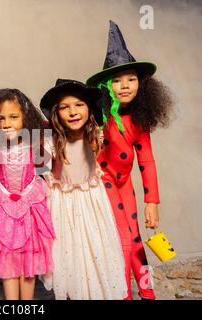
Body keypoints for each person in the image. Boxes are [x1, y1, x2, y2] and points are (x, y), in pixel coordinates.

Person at [86, 21, 173, 299]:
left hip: (125, 184)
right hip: (102, 182)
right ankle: (123, 294)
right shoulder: (98, 115)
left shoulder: (140, 118)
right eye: (117, 80)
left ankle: (147, 293)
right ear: (106, 85)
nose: (124, 86)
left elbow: (146, 160)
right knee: (121, 238)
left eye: (131, 79)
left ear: (142, 84)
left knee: (135, 239)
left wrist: (152, 202)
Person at [39, 79, 127, 300]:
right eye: (65, 107)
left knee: (96, 251)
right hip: (63, 206)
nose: (73, 112)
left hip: (91, 203)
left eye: (79, 105)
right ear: (56, 114)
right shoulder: (50, 142)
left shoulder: (96, 136)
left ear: (89, 108)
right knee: (68, 257)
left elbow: (117, 107)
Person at [0, 88, 55, 300]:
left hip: (29, 204)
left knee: (28, 257)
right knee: (8, 257)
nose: (7, 123)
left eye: (13, 117)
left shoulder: (35, 143)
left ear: (25, 118)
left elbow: (56, 142)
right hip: (3, 205)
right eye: (1, 118)